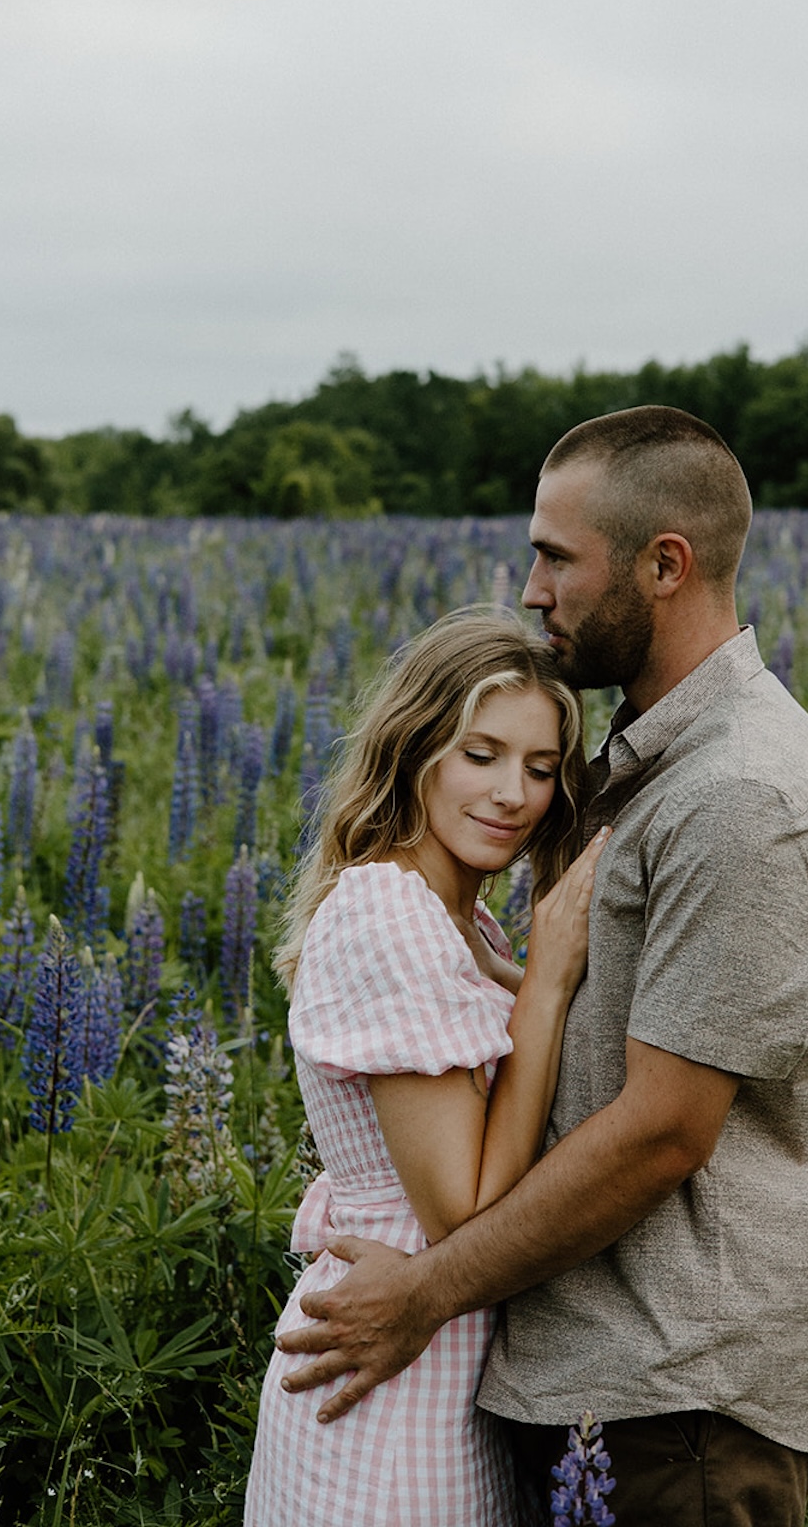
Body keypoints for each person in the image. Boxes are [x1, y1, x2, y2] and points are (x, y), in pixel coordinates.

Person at [278, 406, 808, 1527]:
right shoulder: (655, 763)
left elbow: (664, 1128)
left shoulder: (737, 791)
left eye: (555, 557)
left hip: (674, 1398)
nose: (532, 587)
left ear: (663, 565)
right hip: (587, 1376)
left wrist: (426, 1293)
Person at [244, 608, 604, 1526]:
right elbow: (462, 1208)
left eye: (539, 767)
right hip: (395, 1379)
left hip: (433, 1348)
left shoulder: (461, 924)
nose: (512, 794)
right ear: (416, 750)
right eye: (479, 754)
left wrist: (520, 975)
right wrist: (550, 983)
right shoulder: (392, 913)